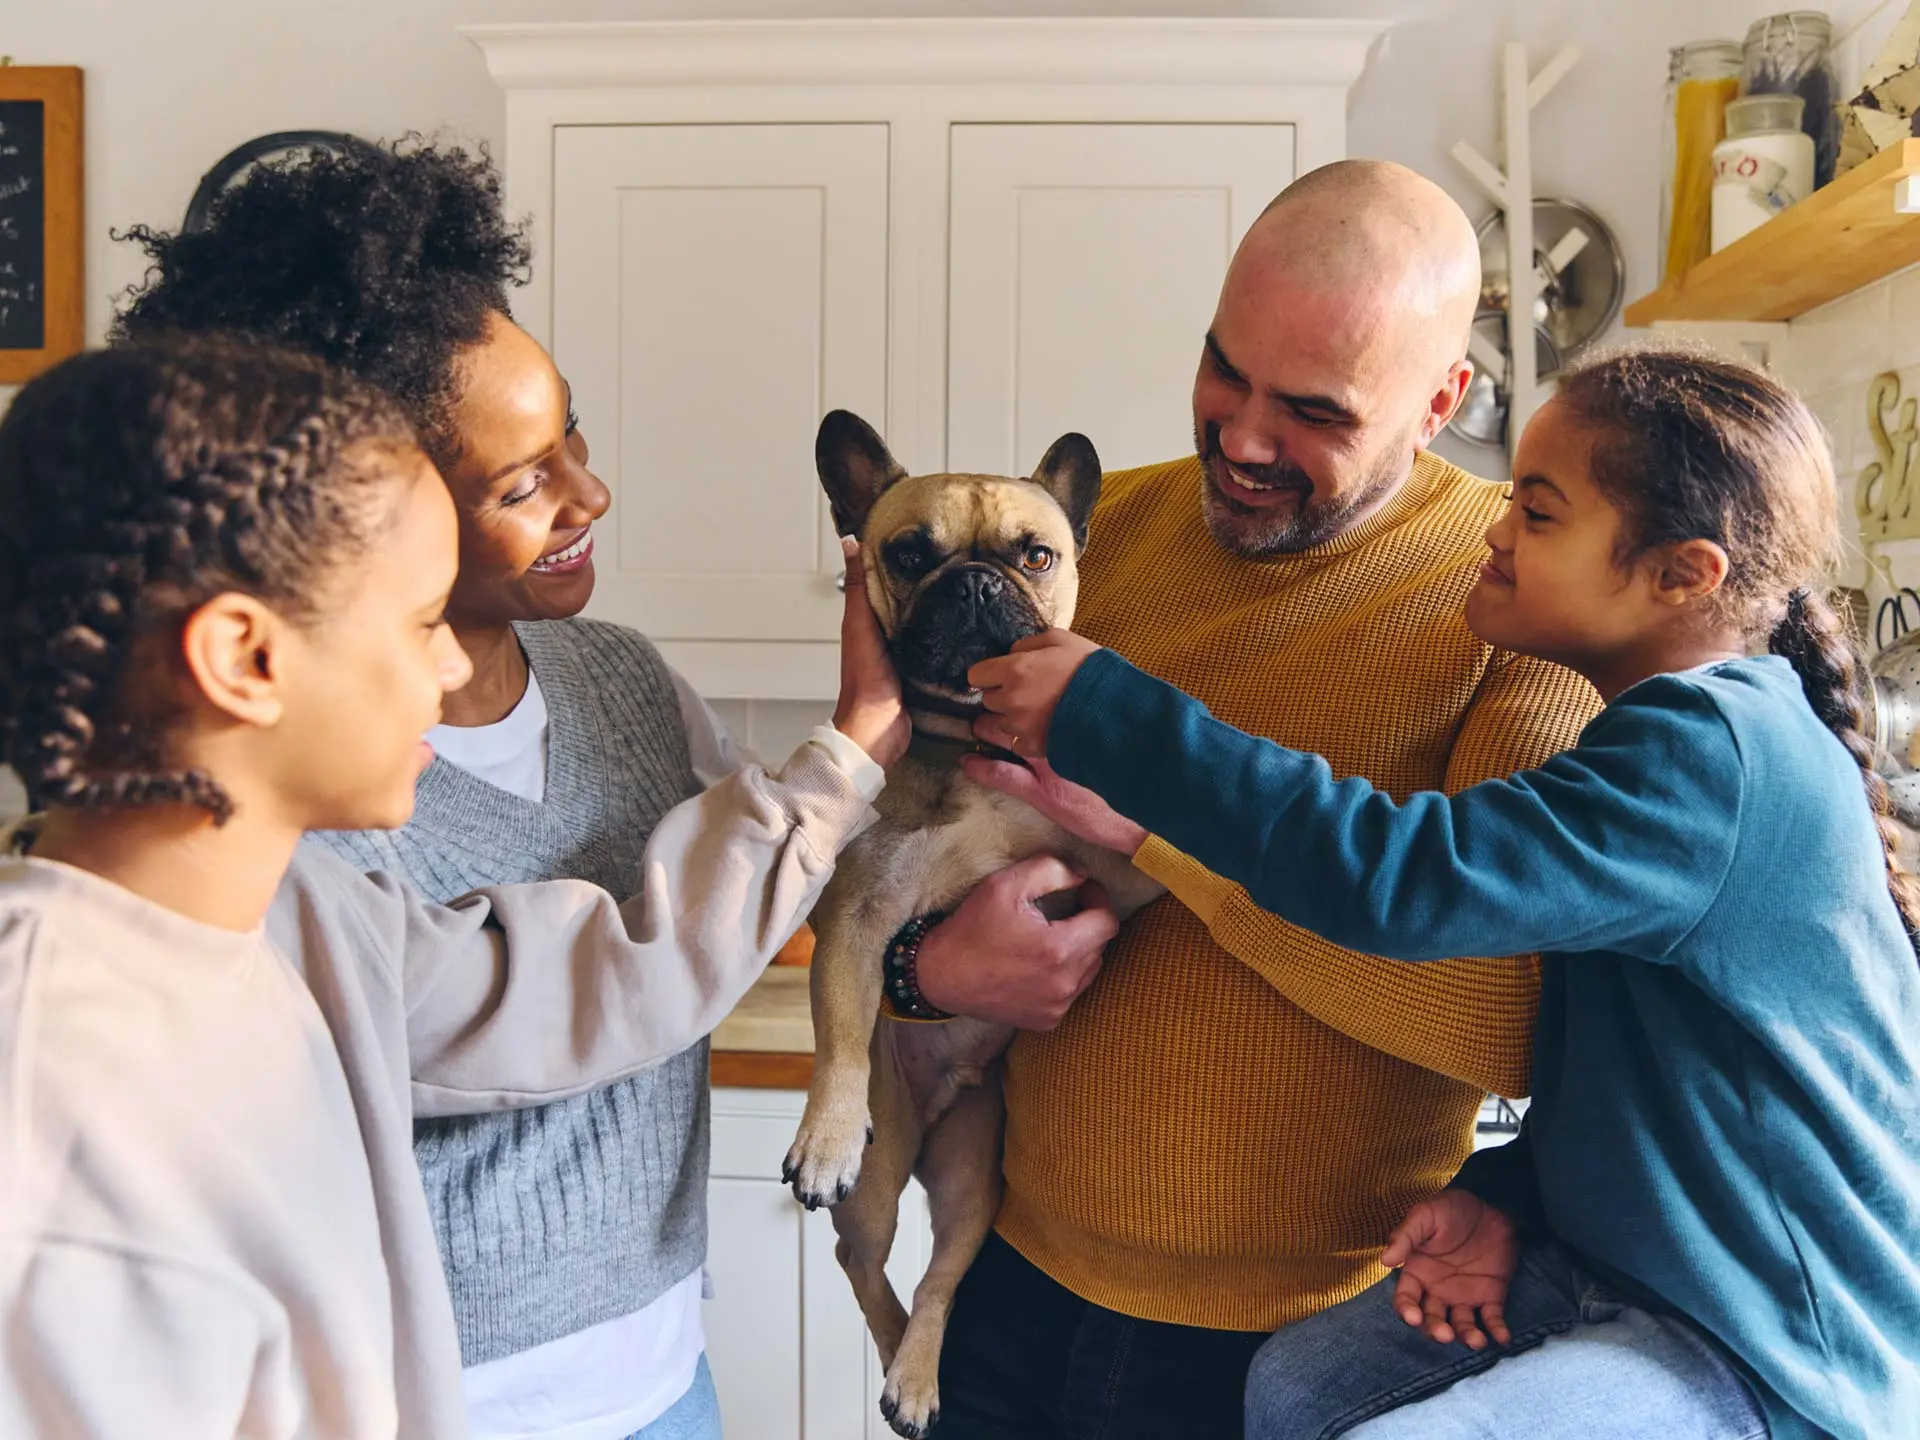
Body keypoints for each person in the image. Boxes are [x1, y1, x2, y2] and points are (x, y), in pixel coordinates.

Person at [970, 347, 1920, 1440]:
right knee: (1295, 1390)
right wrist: (1510, 1203)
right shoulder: (1670, 740)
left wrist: (1107, 708)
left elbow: (1404, 877)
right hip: (1634, 1273)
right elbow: (1645, 1084)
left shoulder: (1715, 755)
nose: (1496, 528)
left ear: (1683, 575)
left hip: (1762, 1342)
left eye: (1540, 512)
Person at [0, 335, 906, 1436]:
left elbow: (575, 978)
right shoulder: (56, 1088)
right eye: (421, 622)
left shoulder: (318, 921)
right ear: (245, 657)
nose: (446, 670)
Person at [860, 158, 1601, 1438]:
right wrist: (928, 973)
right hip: (1001, 1284)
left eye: (1313, 410)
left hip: (1303, 1342)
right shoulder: (1075, 549)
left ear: (1441, 401)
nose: (1245, 438)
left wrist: (1169, 839)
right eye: (1225, 371)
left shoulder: (1513, 614)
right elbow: (902, 843)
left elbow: (1509, 1019)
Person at [114, 139, 760, 1439]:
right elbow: (570, 995)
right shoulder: (273, 799)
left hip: (664, 1371)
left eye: (571, 429)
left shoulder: (623, 681)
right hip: (450, 1405)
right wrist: (847, 756)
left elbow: (750, 916)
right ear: (360, 508)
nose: (590, 493)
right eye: (520, 483)